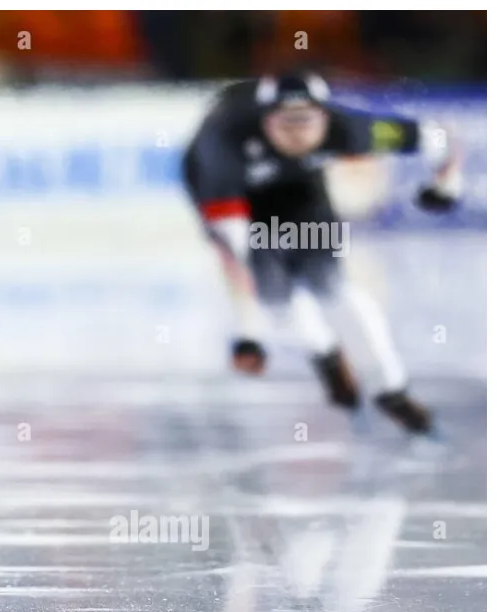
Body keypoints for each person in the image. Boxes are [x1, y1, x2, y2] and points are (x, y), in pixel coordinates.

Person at [180, 70, 462, 439]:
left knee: (333, 289)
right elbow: (233, 258)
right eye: (286, 123)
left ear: (326, 117)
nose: (297, 132)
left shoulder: (351, 129)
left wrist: (447, 184)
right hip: (236, 196)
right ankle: (325, 354)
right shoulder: (224, 144)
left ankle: (392, 391)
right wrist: (248, 334)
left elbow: (439, 136)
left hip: (301, 191)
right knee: (275, 299)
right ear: (264, 120)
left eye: (307, 122)